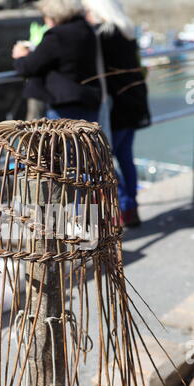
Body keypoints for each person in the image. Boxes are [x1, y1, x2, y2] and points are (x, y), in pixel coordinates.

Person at [83, 0, 151, 227]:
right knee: (125, 157)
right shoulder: (127, 30)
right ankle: (130, 207)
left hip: (114, 104)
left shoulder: (102, 35)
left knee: (104, 160)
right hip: (133, 100)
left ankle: (123, 206)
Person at [12, 0, 101, 122]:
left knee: (62, 141)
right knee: (85, 140)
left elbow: (28, 66)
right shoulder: (86, 29)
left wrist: (20, 56)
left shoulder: (57, 36)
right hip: (88, 99)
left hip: (65, 105)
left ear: (53, 14)